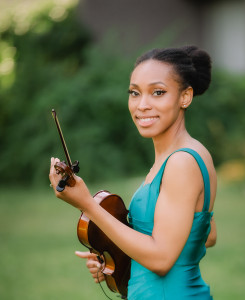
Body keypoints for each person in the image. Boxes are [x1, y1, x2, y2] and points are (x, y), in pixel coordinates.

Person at [49, 45, 217, 300]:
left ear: (185, 96)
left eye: (158, 92)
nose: (143, 105)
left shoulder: (181, 163)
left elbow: (161, 259)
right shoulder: (194, 153)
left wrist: (89, 206)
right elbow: (205, 235)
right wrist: (113, 261)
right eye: (135, 93)